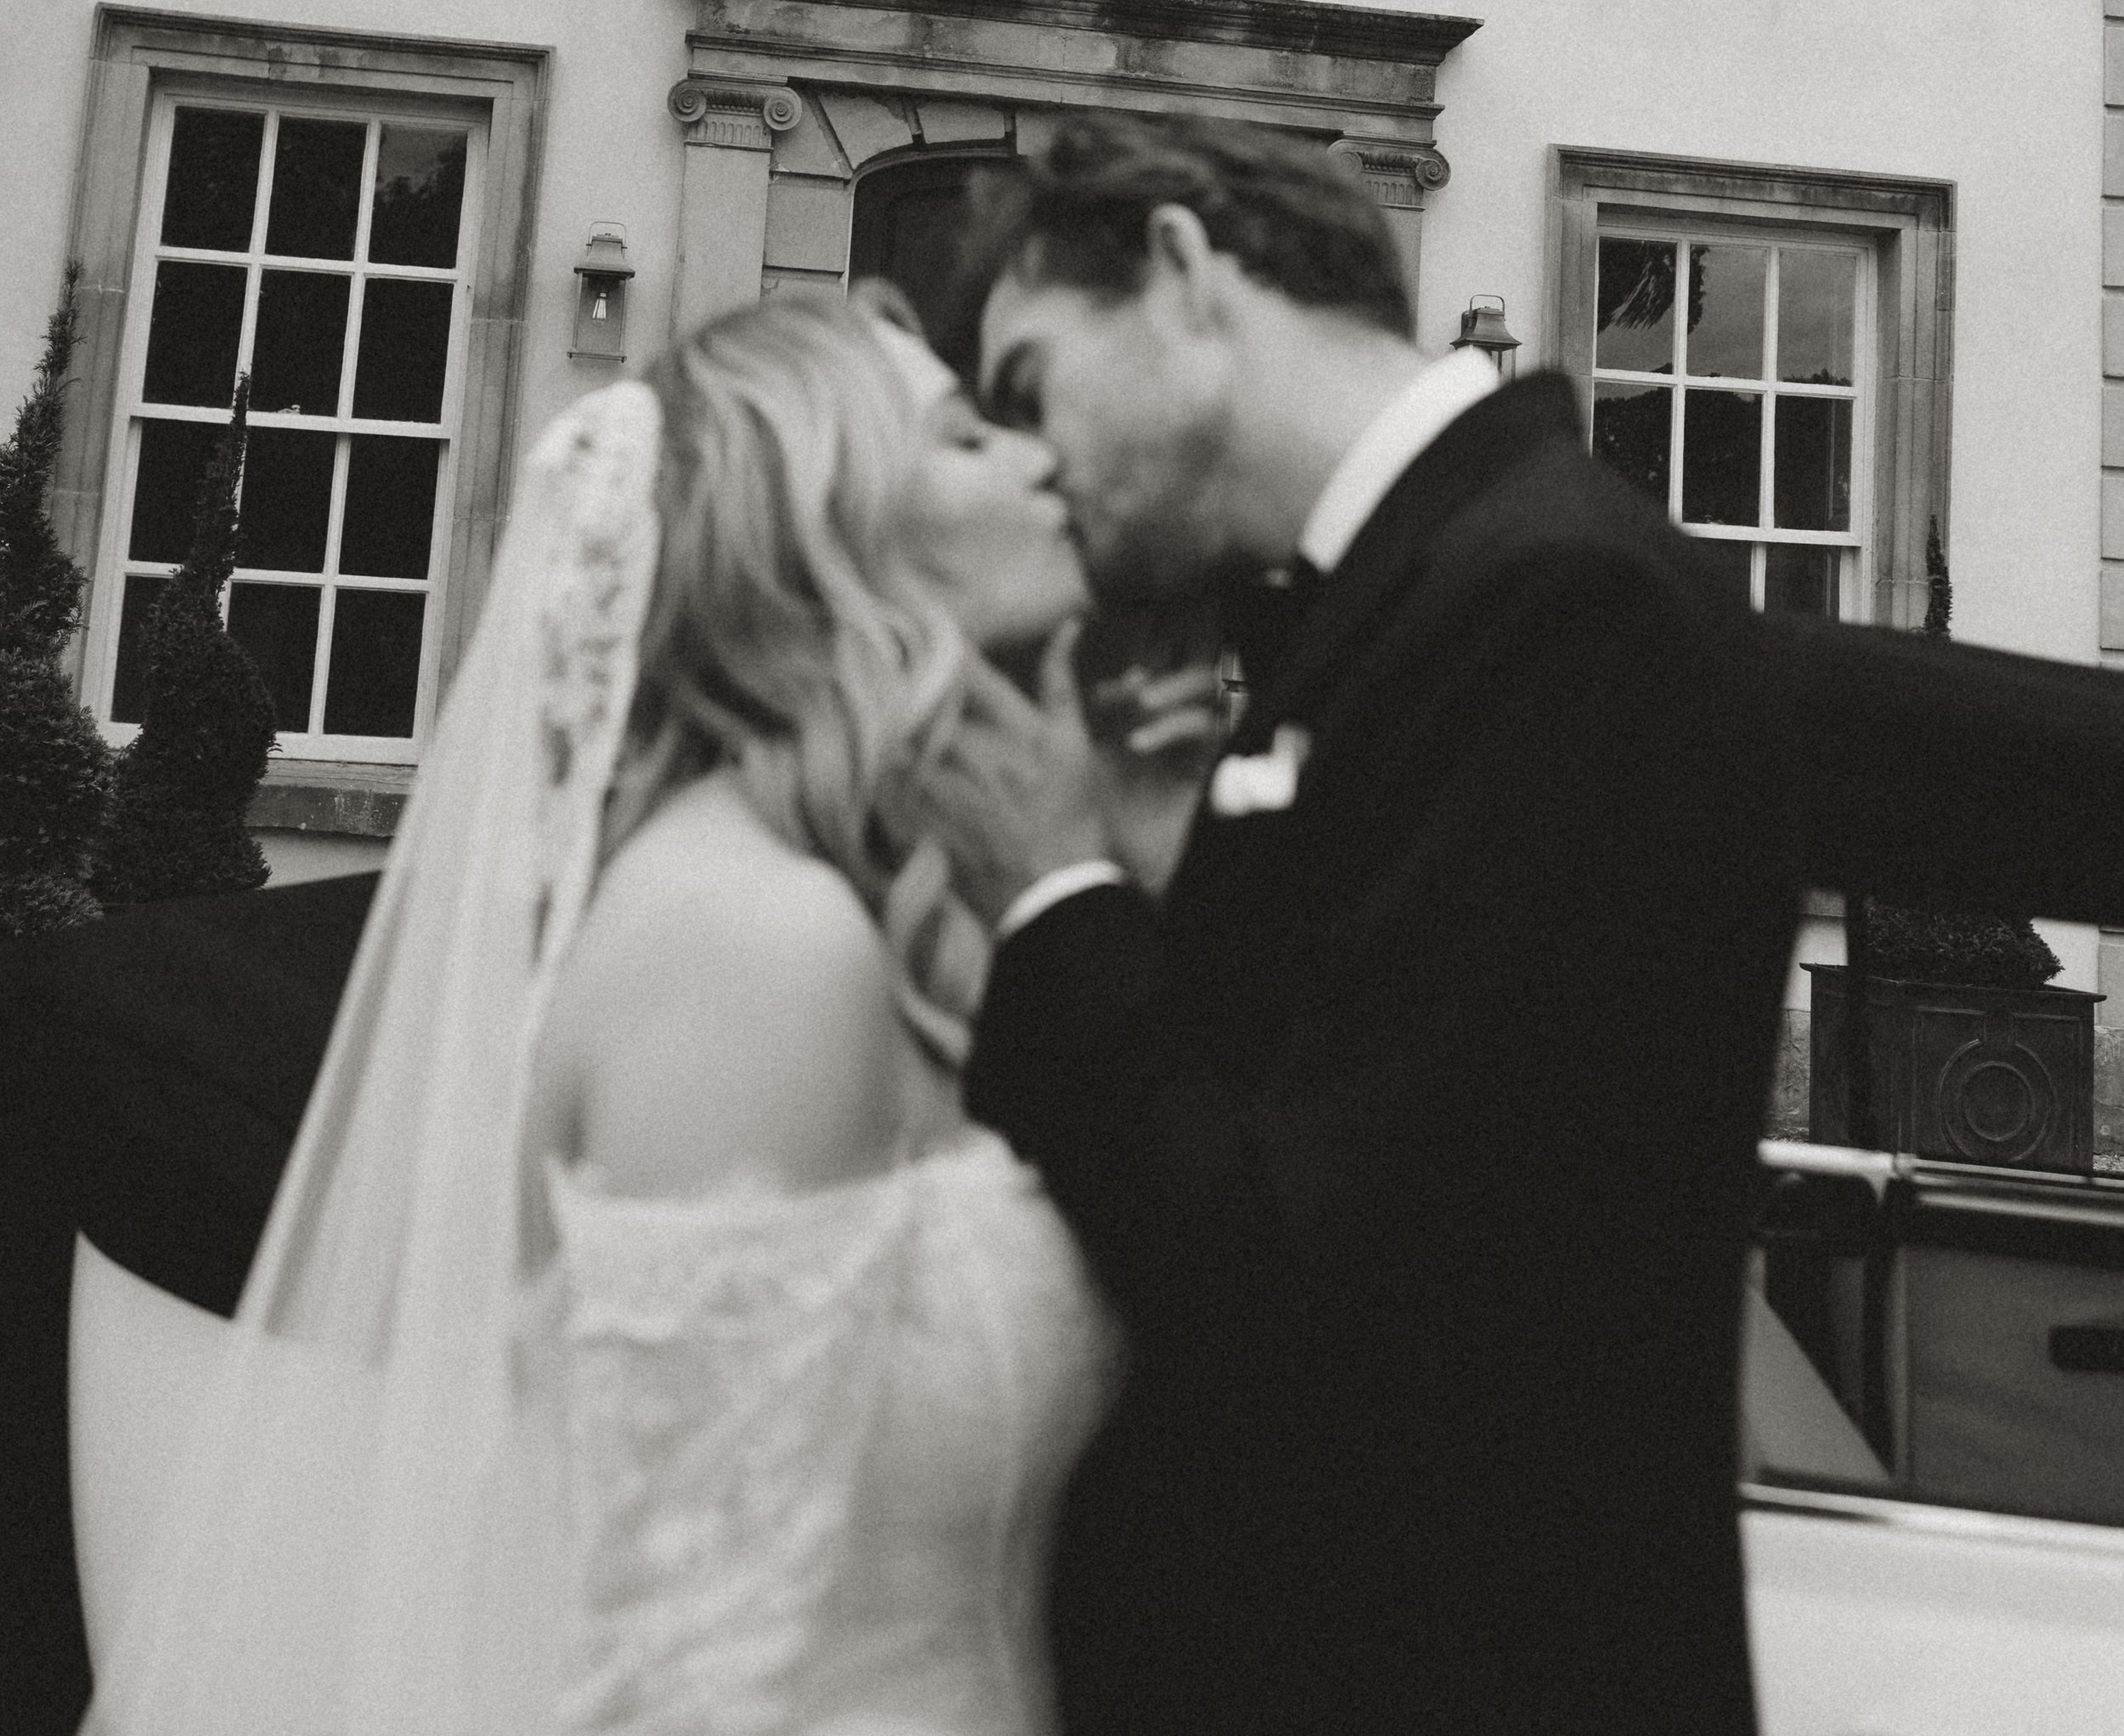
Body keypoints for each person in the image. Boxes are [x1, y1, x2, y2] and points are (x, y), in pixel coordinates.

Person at [903, 112, 2124, 1736]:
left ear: (1186, 276)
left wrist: (1057, 894)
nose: (1037, 460)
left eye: (1031, 381)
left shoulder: (1554, 606)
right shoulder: (1439, 590)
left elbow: (1319, 1279)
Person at [78, 285, 1190, 1736]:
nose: (1044, 457)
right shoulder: (753, 941)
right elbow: (699, 1680)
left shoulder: (885, 906)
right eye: (965, 437)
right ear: (822, 533)